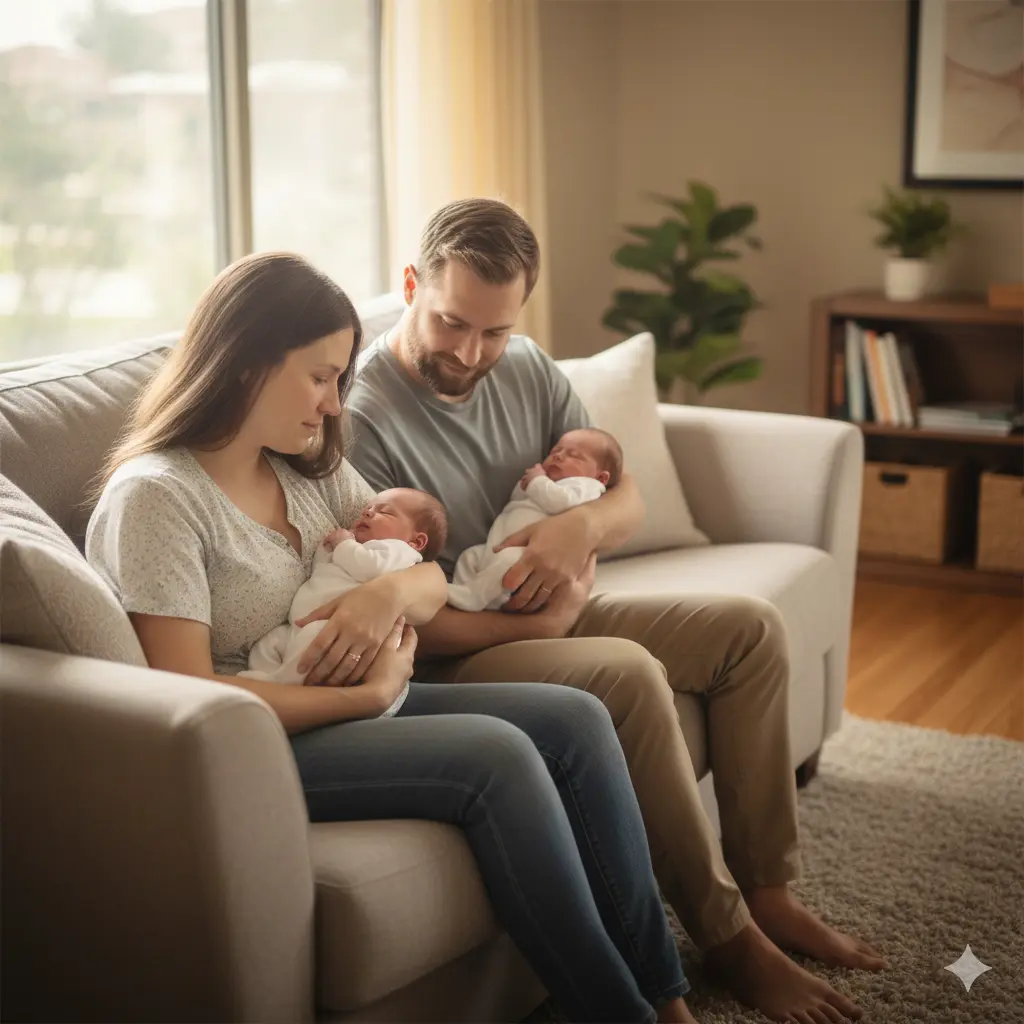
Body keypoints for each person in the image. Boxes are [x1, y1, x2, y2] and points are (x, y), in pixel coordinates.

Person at [85, 251, 698, 1024]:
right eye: (319, 377)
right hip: (257, 742)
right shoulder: (158, 499)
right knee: (498, 757)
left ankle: (665, 993)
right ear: (244, 363)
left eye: (340, 378)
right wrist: (366, 696)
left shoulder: (305, 469)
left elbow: (431, 573)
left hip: (350, 700)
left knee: (576, 719)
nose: (334, 402)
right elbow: (188, 694)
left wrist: (386, 592)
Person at [347, 198, 885, 1023]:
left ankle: (769, 894)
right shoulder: (361, 418)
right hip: (457, 646)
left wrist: (581, 527)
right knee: (630, 676)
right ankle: (730, 940)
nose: (471, 353)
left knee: (749, 631)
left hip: (550, 613)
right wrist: (531, 628)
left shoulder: (522, 366)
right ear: (412, 283)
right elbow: (392, 612)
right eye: (453, 323)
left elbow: (622, 490)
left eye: (493, 331)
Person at [240, 488, 447, 722]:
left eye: (385, 512)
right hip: (299, 625)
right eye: (367, 509)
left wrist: (343, 545)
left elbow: (371, 568)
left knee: (313, 648)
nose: (368, 512)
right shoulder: (358, 546)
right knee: (270, 643)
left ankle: (281, 684)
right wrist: (328, 548)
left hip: (337, 629)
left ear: (416, 540)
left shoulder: (398, 551)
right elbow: (325, 569)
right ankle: (262, 678)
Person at [448, 428, 621, 612]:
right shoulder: (547, 482)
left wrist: (537, 481)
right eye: (555, 452)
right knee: (470, 556)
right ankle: (464, 593)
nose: (559, 457)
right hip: (495, 547)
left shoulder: (586, 486)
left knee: (510, 560)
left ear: (600, 477)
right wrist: (526, 484)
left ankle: (474, 596)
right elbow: (518, 500)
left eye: (574, 456)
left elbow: (561, 502)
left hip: (528, 555)